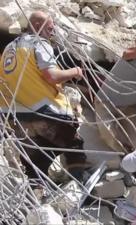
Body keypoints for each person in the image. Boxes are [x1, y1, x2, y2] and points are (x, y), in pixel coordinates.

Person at [0, 11, 87, 179]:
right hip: (45, 110)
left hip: (16, 117)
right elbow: (52, 76)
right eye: (50, 28)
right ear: (38, 26)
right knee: (74, 145)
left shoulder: (8, 50)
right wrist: (75, 71)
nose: (52, 32)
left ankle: (36, 194)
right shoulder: (39, 43)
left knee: (36, 160)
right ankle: (81, 185)